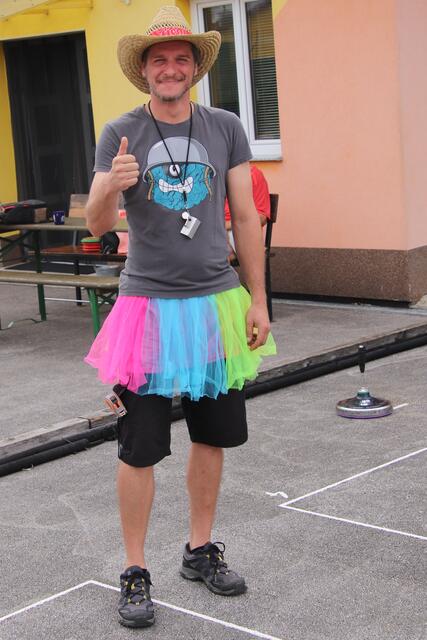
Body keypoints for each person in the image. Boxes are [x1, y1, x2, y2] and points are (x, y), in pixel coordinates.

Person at [84, 5, 276, 629]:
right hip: (147, 309)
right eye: (160, 59)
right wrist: (109, 186)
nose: (171, 68)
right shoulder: (120, 131)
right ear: (144, 70)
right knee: (139, 447)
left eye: (181, 59)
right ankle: (134, 570)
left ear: (195, 68)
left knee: (212, 436)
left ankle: (200, 549)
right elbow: (97, 225)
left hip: (216, 303)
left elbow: (245, 216)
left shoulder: (226, 127)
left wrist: (258, 299)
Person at [224, 164, 270, 261]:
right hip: (214, 231)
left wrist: (224, 226)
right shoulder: (209, 175)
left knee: (216, 251)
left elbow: (261, 217)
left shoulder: (252, 174)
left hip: (240, 232)